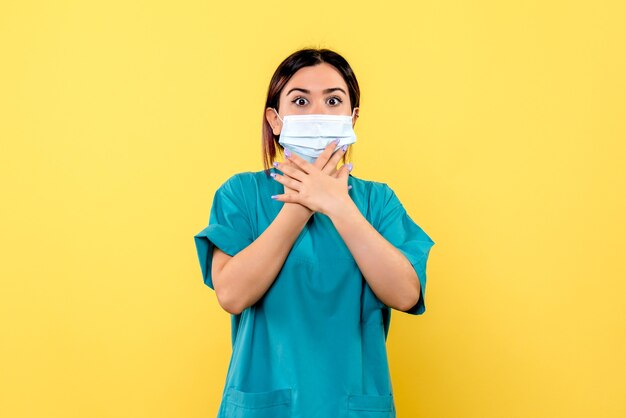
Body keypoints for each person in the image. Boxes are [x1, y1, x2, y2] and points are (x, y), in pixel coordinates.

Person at [193, 47, 435, 418]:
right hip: (264, 406)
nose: (318, 113)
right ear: (275, 120)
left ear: (352, 118)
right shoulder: (240, 194)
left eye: (333, 101)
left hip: (351, 405)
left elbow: (405, 294)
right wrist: (304, 202)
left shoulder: (378, 202)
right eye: (300, 100)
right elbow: (232, 294)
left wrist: (338, 205)